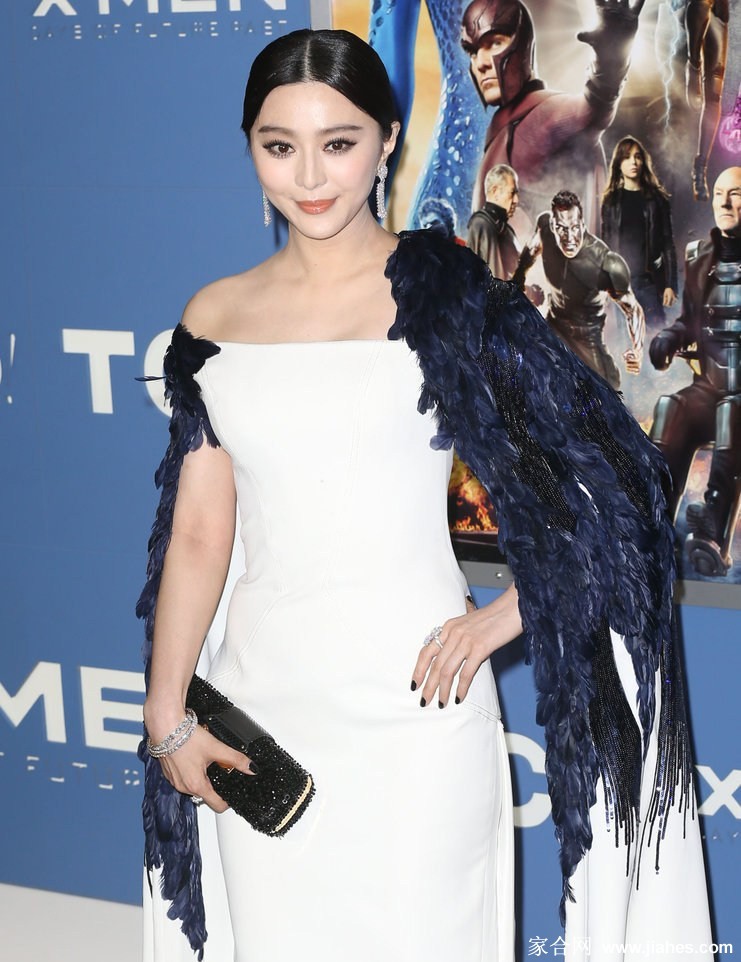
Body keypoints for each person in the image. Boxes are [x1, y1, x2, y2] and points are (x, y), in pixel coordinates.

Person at [138, 29, 712, 962]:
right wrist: (167, 714)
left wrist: (508, 615)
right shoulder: (214, 315)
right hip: (264, 708)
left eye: (339, 142)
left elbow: (615, 483)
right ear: (250, 149)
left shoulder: (445, 296)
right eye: (279, 145)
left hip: (418, 713)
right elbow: (200, 532)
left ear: (387, 141)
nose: (309, 175)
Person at [461, 0, 646, 231]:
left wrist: (611, 64)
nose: (480, 63)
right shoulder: (504, 124)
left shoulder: (543, 114)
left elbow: (593, 109)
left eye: (495, 43)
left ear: (522, 45)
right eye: (473, 51)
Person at [649, 165, 741, 577]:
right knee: (672, 407)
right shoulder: (699, 257)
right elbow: (690, 320)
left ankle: (712, 536)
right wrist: (669, 338)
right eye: (719, 193)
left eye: (735, 193)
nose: (724, 202)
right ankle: (650, 522)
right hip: (711, 386)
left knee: (732, 411)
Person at [513, 190, 645, 389]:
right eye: (562, 229)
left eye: (574, 227)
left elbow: (633, 309)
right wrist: (517, 280)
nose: (569, 237)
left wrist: (637, 351)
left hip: (587, 339)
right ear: (554, 226)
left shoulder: (605, 263)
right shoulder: (545, 228)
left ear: (582, 224)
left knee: (607, 391)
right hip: (554, 326)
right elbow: (531, 251)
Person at [601, 136, 678, 331]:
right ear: (619, 164)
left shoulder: (657, 200)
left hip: (648, 283)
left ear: (643, 161)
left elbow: (668, 243)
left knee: (655, 338)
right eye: (627, 157)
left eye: (637, 157)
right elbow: (605, 248)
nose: (633, 162)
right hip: (620, 286)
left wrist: (670, 284)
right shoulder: (611, 201)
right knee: (624, 342)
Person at [467, 162, 519, 279]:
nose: (516, 200)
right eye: (512, 193)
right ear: (495, 191)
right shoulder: (482, 224)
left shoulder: (506, 230)